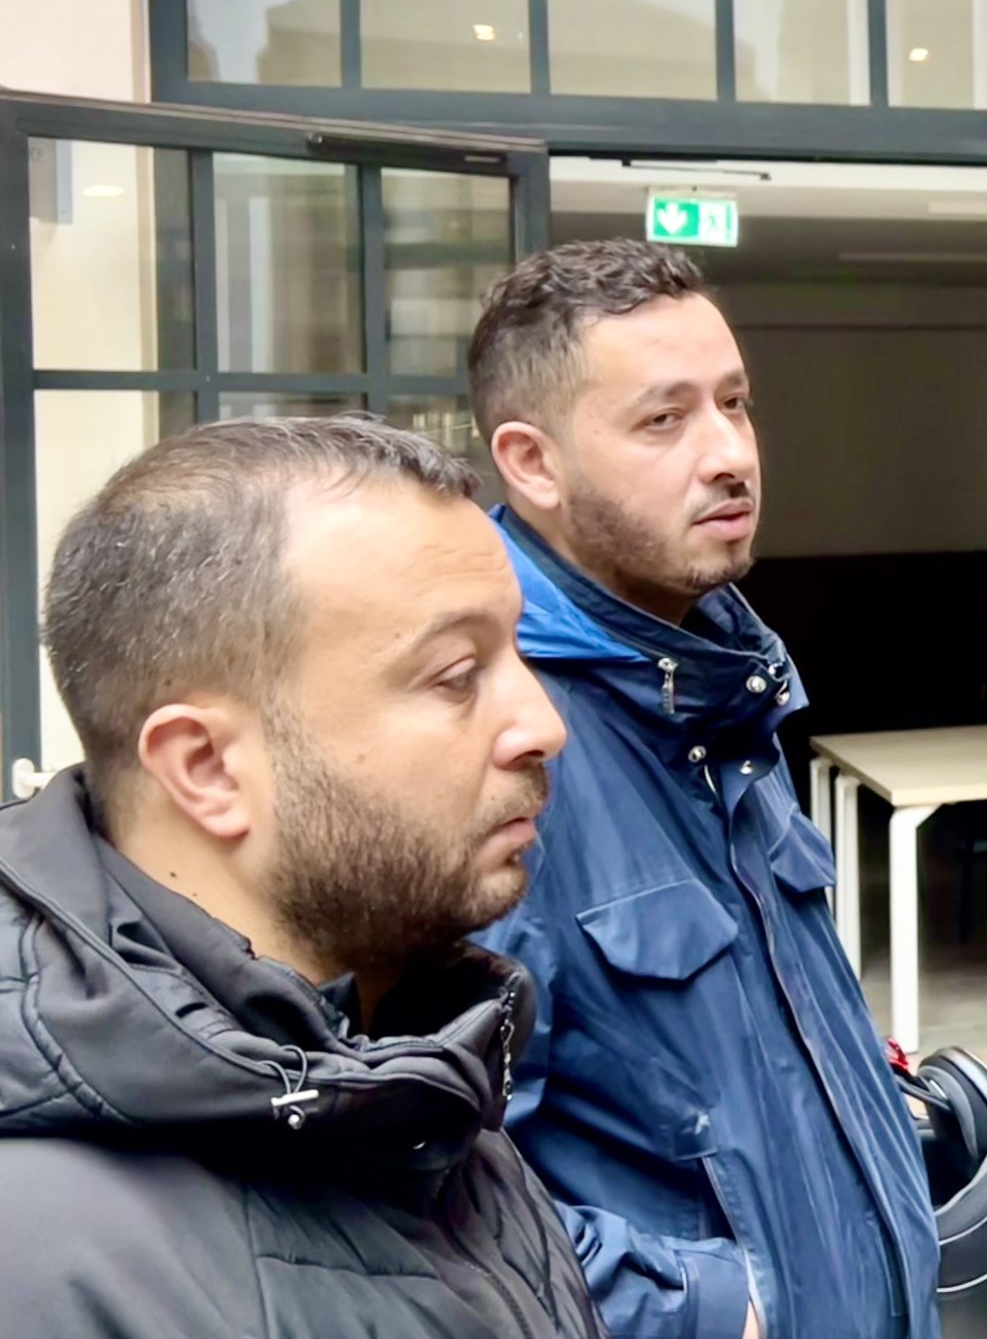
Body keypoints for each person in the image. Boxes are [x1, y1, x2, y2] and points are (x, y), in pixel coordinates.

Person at [0, 416, 602, 1337]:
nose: (540, 724)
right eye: (454, 675)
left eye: (517, 651)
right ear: (205, 767)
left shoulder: (419, 1074)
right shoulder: (44, 1269)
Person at [464, 239, 940, 1339]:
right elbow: (430, 1186)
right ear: (532, 463)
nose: (730, 453)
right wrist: (723, 1311)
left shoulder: (721, 683)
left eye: (736, 403)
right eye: (663, 420)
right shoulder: (483, 743)